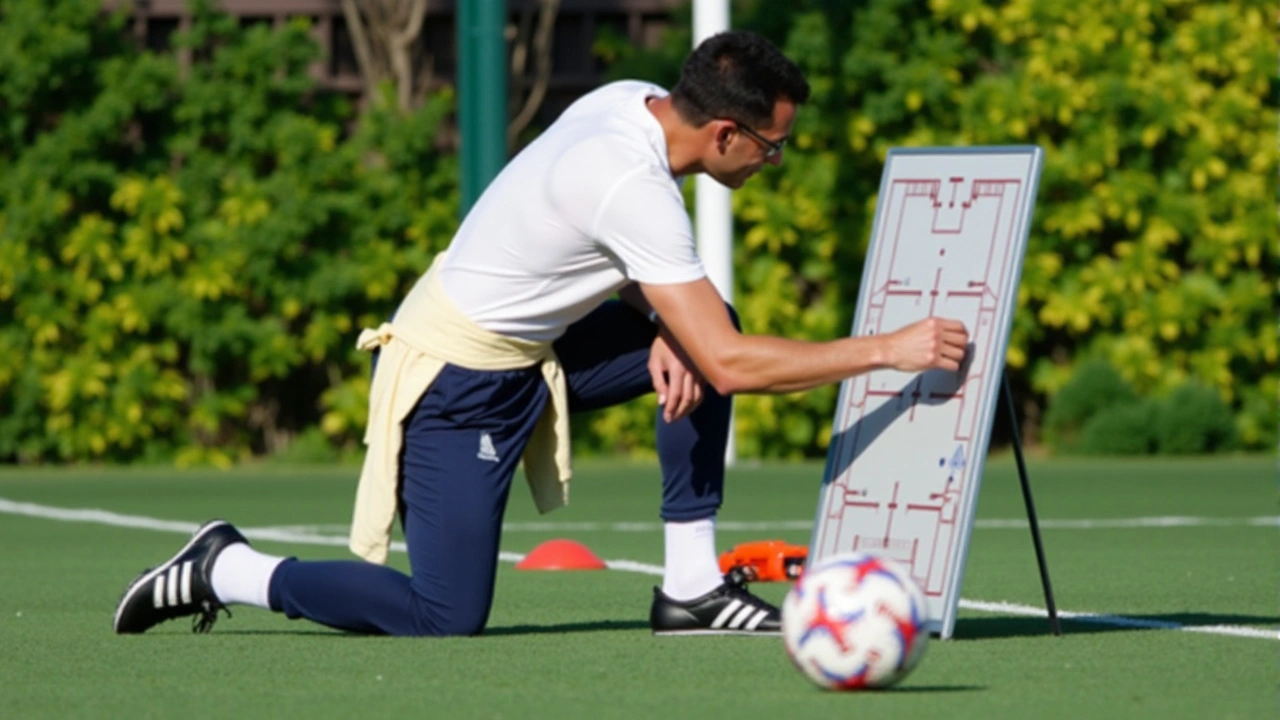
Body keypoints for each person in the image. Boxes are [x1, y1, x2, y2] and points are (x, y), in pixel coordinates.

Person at [113, 30, 968, 638]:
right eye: (772, 149)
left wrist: (661, 318)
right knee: (444, 616)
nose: (771, 163)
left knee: (706, 331)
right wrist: (889, 350)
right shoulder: (634, 182)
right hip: (457, 377)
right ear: (724, 134)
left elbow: (614, 262)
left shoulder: (627, 102)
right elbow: (732, 366)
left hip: (537, 349)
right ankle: (229, 567)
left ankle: (691, 589)